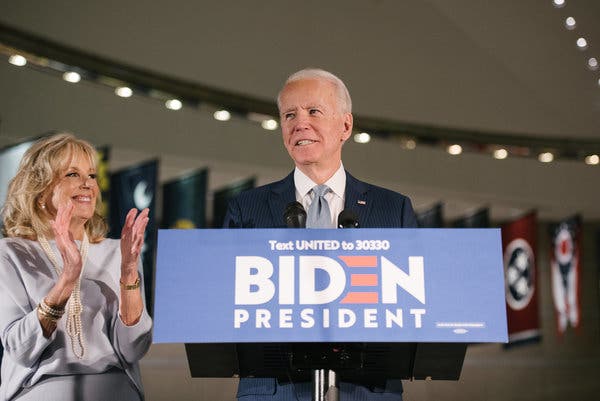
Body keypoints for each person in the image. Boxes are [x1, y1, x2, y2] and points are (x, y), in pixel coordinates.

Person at [224, 69, 417, 401]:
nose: (300, 123)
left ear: (345, 126)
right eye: (289, 115)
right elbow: (224, 303)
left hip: (366, 391)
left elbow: (414, 308)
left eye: (313, 111)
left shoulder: (393, 210)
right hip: (273, 391)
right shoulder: (246, 210)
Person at [0, 133, 153, 401]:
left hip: (115, 392)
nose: (87, 184)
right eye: (72, 174)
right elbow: (20, 348)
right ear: (40, 191)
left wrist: (129, 273)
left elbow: (133, 349)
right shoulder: (12, 253)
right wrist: (66, 280)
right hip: (40, 392)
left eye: (92, 176)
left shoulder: (119, 251)